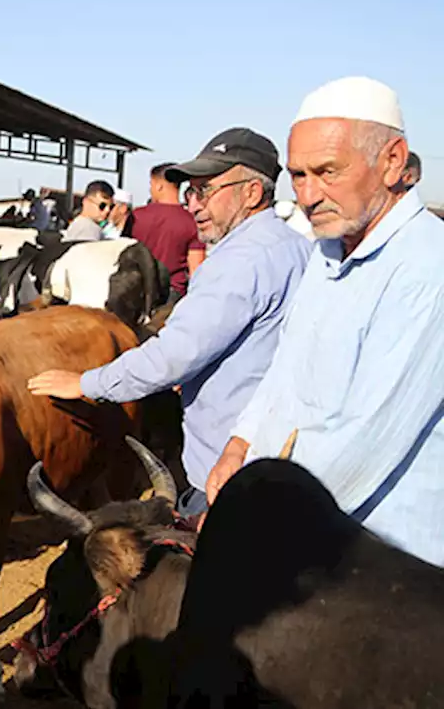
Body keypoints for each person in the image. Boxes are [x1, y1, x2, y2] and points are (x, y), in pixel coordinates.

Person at [205, 77, 444, 568]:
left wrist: (247, 519)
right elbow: (287, 370)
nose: (309, 194)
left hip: (391, 566)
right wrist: (240, 443)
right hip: (308, 529)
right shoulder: (328, 251)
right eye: (298, 175)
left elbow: (365, 438)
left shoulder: (426, 267)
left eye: (328, 172)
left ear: (393, 161)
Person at [28, 128, 310, 518]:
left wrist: (85, 382)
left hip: (228, 467)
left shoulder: (238, 261)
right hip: (277, 453)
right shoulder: (298, 247)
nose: (193, 205)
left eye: (205, 190)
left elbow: (172, 357)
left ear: (252, 193)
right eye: (190, 192)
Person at [132, 162, 205, 298]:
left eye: (151, 185)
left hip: (138, 292)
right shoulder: (191, 221)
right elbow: (196, 270)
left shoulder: (136, 216)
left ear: (159, 186)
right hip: (173, 294)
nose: (150, 190)